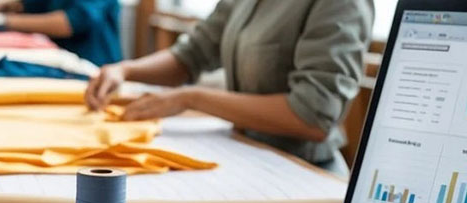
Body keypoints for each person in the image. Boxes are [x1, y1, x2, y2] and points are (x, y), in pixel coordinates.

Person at [85, 0, 375, 173]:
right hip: (247, 155)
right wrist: (125, 70)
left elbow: (313, 115)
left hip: (303, 172)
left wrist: (193, 98)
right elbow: (192, 54)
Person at [0, 0, 122, 66]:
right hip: (59, 60)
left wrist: (1, 21)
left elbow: (70, 23)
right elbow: (34, 3)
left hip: (91, 66)